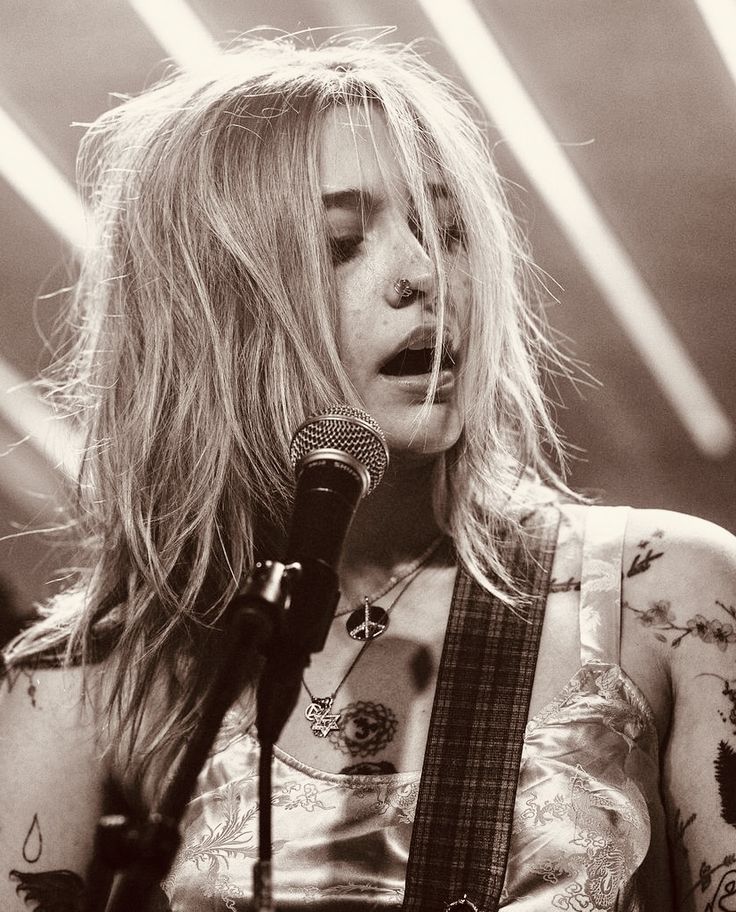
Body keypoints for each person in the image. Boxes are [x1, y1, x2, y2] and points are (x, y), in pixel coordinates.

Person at [1, 33, 734, 912]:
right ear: (209, 314)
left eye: (450, 231)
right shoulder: (92, 673)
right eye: (343, 242)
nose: (425, 276)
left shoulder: (670, 593)